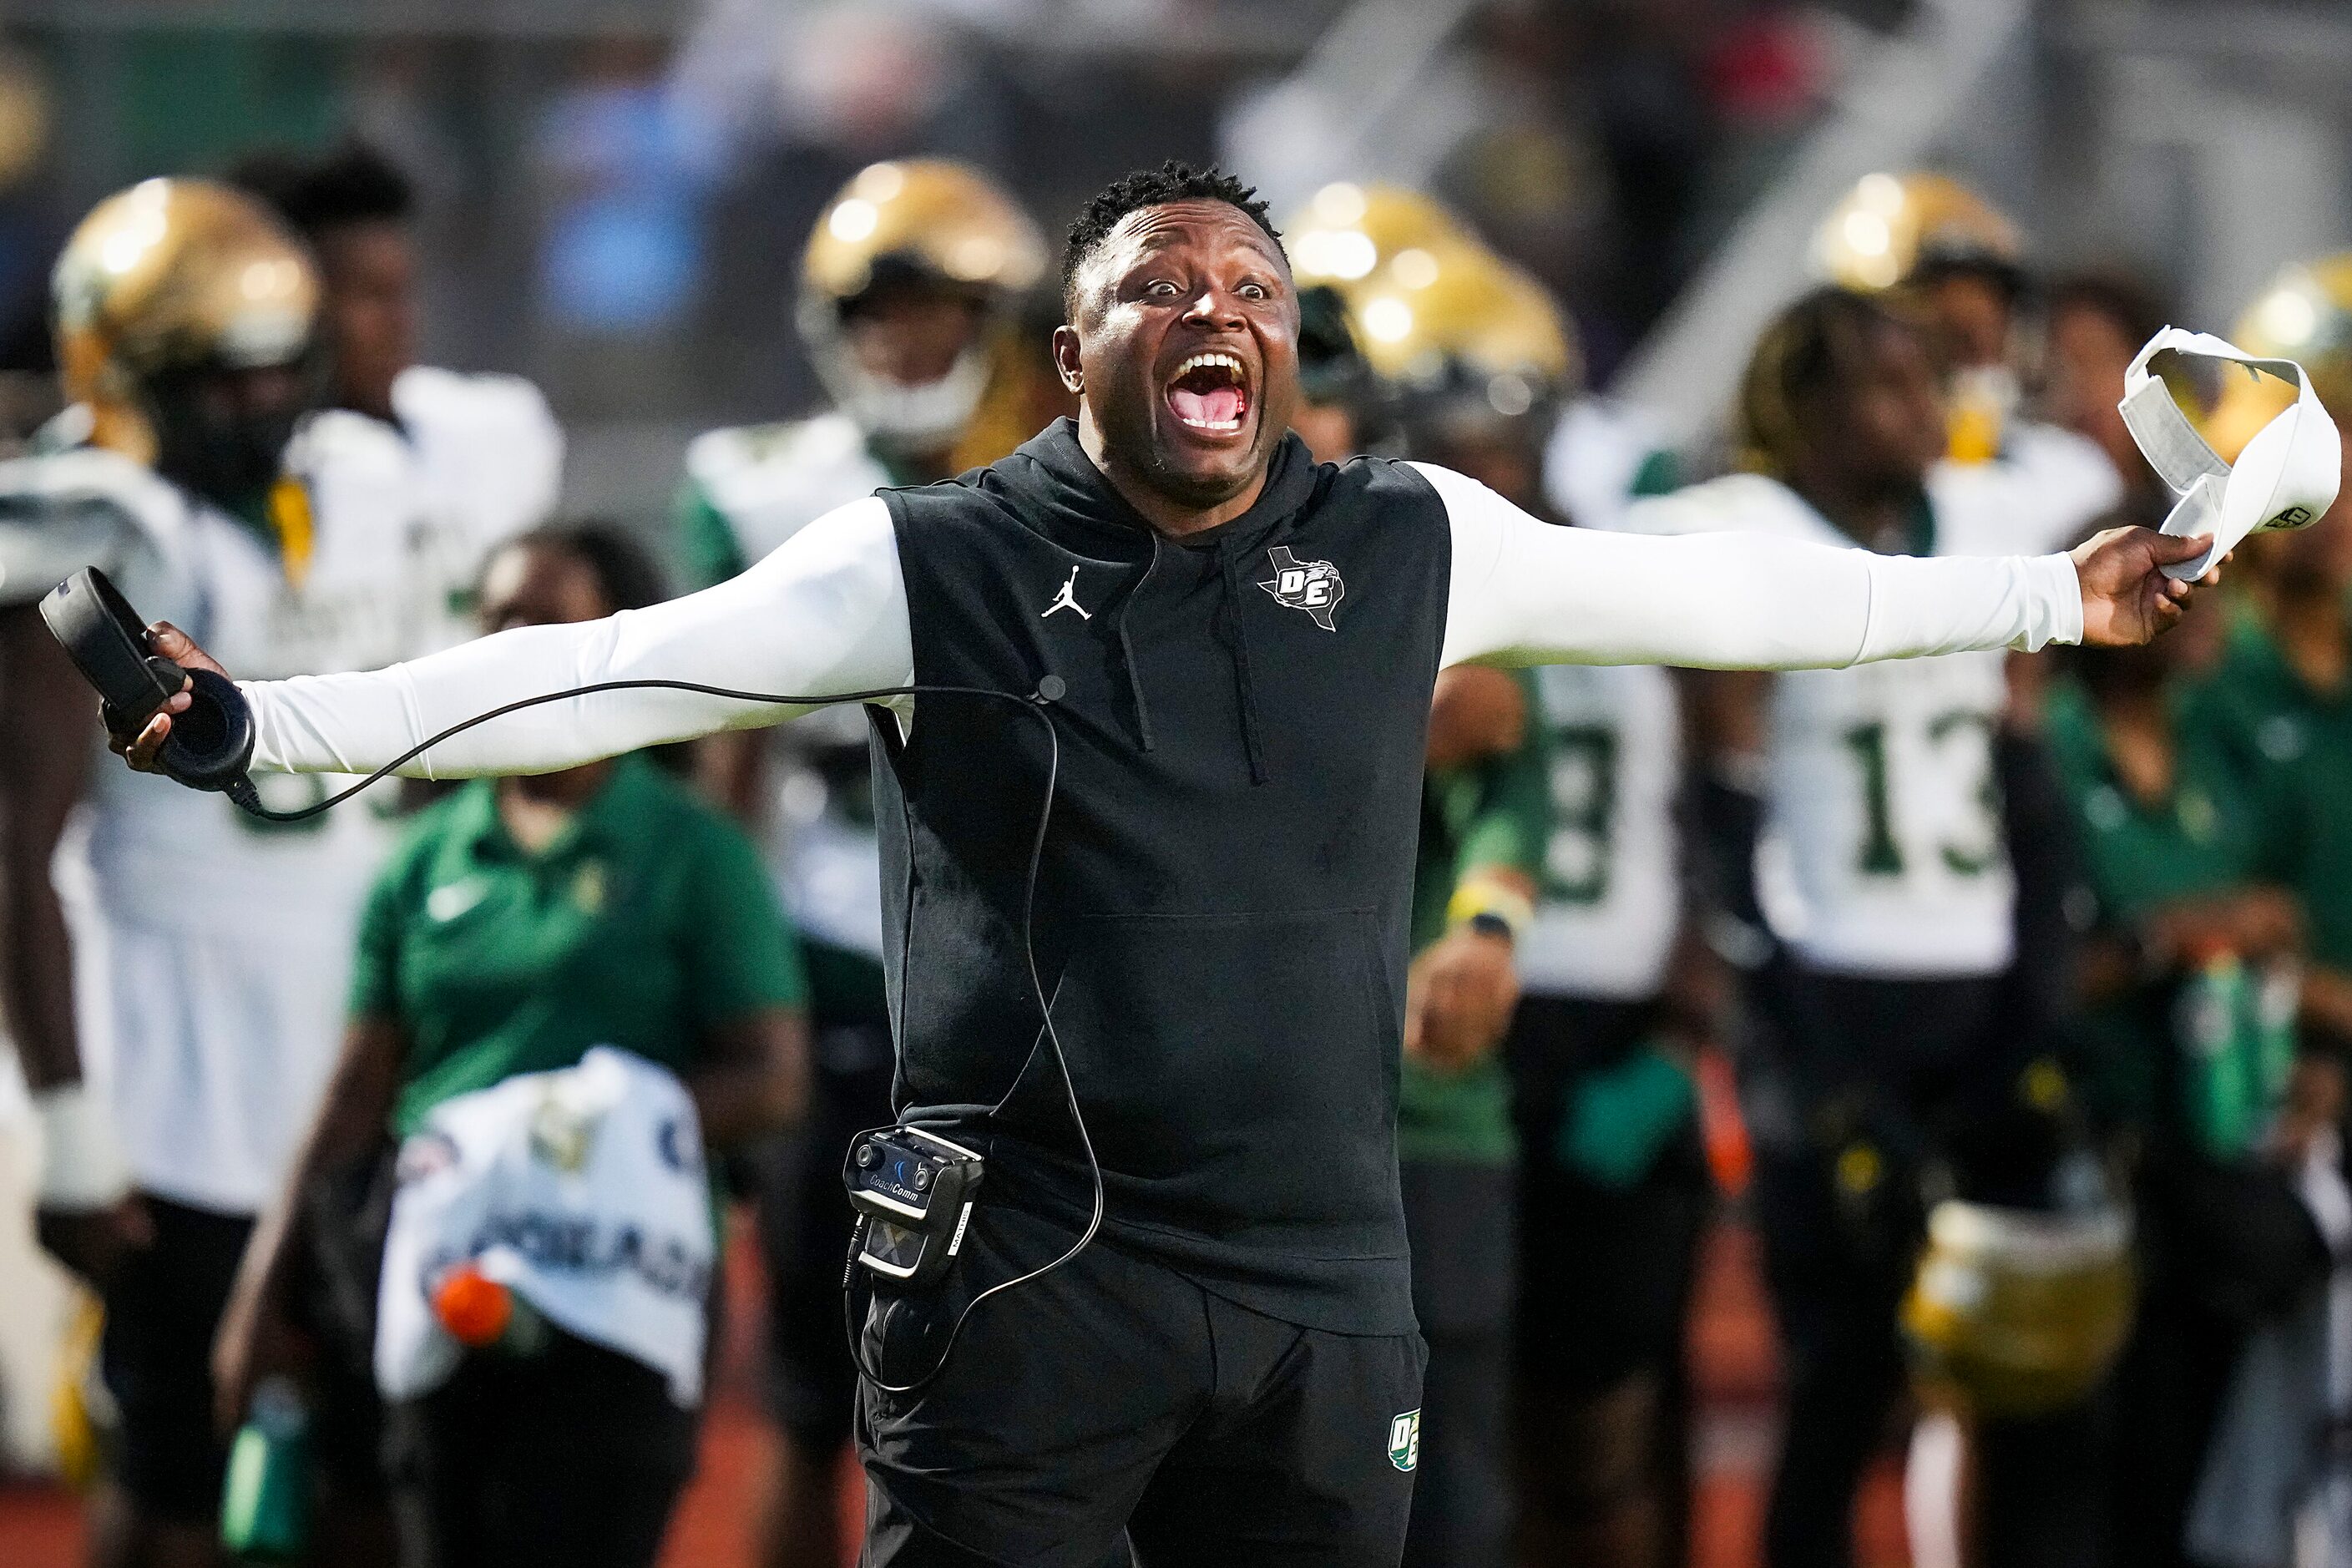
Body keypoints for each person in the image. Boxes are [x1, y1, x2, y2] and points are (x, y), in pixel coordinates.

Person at [112, 161, 2214, 1568]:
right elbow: (600, 672)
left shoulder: (1410, 540)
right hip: (1024, 1284)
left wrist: (2056, 593)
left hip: (1322, 1295)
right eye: (1161, 286)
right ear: (1076, 343)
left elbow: (1741, 603)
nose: (1217, 312)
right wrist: (268, 729)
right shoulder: (926, 564)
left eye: (1253, 291)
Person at [1621, 285, 2129, 1568]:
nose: (1925, 410)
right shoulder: (1742, 539)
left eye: (1926, 380)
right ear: (1803, 407)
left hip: (1979, 983)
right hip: (1826, 988)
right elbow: (1722, 813)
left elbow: (2026, 784)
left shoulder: (1988, 524)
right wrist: (1799, 1058)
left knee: (2037, 1382)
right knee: (1839, 1384)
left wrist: (2038, 1000)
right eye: (1887, 384)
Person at [210, 524, 811, 1568]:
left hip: (624, 1276)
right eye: (494, 619)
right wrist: (265, 1292)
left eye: (545, 621)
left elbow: (773, 1078)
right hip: (440, 1261)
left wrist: (587, 1124)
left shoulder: (692, 850)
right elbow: (359, 1088)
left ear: (616, 645)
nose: (510, 645)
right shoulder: (422, 862)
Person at [0, 180, 426, 1568]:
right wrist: (66, 1121)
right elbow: (17, 837)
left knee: (383, 1478)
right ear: (122, 375)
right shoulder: (90, 519)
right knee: (172, 1486)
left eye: (273, 370)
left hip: (361, 1064)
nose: (258, 406)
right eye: (216, 379)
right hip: (178, 1081)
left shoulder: (371, 477)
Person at [670, 157, 1049, 1568]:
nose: (907, 342)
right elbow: (720, 783)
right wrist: (714, 996)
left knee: (1025, 1393)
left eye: (941, 309)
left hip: (1021, 997)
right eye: (882, 312)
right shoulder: (760, 487)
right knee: (806, 1391)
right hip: (826, 967)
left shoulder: (1068, 486)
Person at [2041, 599, 2324, 1568]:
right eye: (2174, 589)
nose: (2208, 612)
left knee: (2201, 1459)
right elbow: (2038, 976)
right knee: (2071, 1472)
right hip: (2088, 1146)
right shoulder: (2050, 755)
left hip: (2210, 1141)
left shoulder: (2216, 755)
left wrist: (2287, 1053)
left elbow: (2263, 931)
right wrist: (2171, 936)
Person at [231, 139, 564, 654]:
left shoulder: (493, 428)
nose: (398, 322)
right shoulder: (250, 478)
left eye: (402, 290)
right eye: (367, 294)